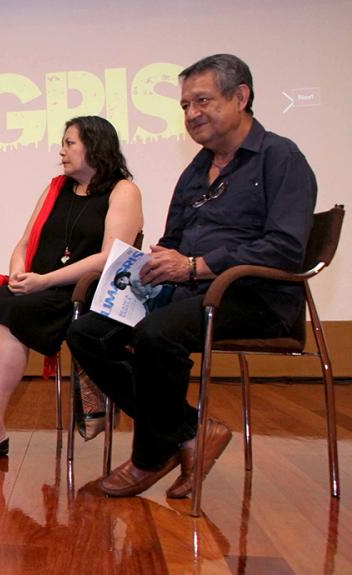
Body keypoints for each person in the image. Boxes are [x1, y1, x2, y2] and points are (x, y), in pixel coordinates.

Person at [67, 54, 317, 498]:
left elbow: (286, 247)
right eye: (185, 106)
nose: (192, 114)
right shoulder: (196, 170)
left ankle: (150, 456)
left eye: (202, 100)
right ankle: (188, 430)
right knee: (89, 332)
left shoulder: (280, 158)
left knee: (156, 334)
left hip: (256, 296)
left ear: (240, 97)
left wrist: (196, 266)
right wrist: (160, 260)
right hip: (190, 292)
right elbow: (175, 238)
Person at [0, 116, 143, 462]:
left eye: (69, 143)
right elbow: (23, 243)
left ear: (94, 146)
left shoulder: (123, 190)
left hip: (81, 294)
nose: (61, 151)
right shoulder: (56, 188)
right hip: (38, 285)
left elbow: (111, 257)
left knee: (13, 311)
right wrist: (19, 274)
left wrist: (43, 281)